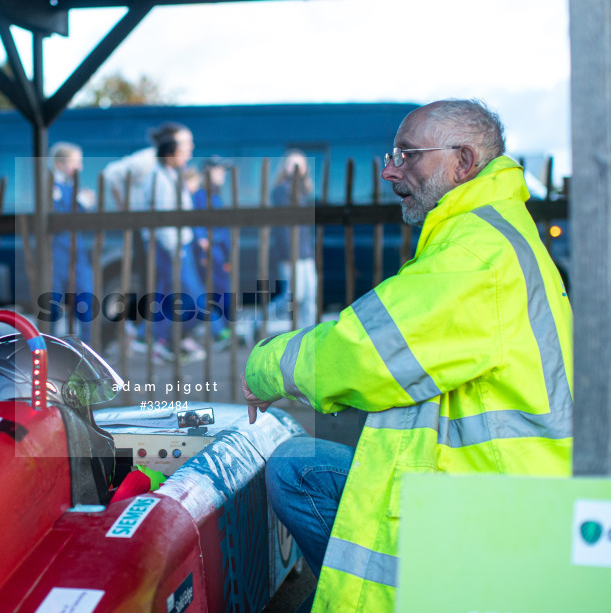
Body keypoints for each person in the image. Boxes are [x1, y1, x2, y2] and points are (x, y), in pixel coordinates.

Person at [242, 99, 572, 613]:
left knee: (296, 473)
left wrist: (266, 367)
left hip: (487, 509)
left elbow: (362, 351)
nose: (390, 169)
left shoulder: (474, 254)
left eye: (408, 155)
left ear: (462, 161)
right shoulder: (487, 233)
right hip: (491, 483)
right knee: (295, 469)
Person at [141, 123, 216, 363]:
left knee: (171, 297)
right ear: (171, 149)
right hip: (172, 248)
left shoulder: (171, 175)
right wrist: (176, 251)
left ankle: (165, 341)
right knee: (193, 298)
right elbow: (163, 220)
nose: (191, 149)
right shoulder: (159, 179)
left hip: (178, 247)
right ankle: (168, 340)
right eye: (186, 144)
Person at [49, 142, 95, 342]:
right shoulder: (51, 186)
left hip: (77, 253)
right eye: (76, 162)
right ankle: (46, 349)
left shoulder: (70, 187)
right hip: (57, 253)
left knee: (85, 300)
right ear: (60, 165)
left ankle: (88, 349)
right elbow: (56, 217)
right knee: (51, 304)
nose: (80, 168)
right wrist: (81, 203)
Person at [269, 150, 317, 328]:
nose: (297, 168)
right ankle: (259, 321)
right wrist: (290, 253)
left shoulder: (303, 189)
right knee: (293, 295)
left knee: (309, 295)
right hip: (290, 253)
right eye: (292, 164)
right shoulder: (282, 190)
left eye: (300, 164)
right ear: (285, 167)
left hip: (306, 252)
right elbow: (283, 228)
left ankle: (309, 333)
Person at [190, 157, 233, 343]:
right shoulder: (201, 196)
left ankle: (223, 330)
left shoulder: (216, 195)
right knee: (211, 293)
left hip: (220, 253)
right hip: (210, 253)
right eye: (219, 170)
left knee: (221, 292)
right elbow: (196, 223)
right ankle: (220, 332)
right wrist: (202, 245)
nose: (222, 174)